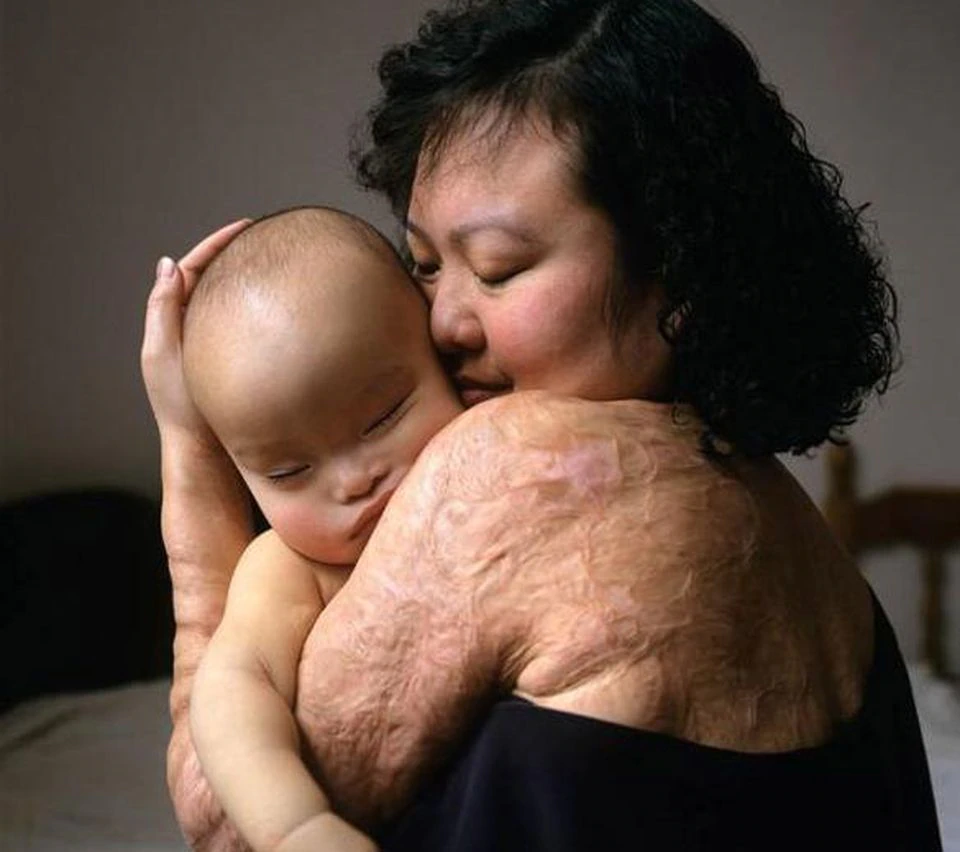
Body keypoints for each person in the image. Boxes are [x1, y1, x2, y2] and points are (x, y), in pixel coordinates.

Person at [141, 0, 942, 849]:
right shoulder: (775, 503)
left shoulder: (514, 465)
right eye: (423, 264)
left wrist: (190, 439)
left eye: (497, 269)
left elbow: (226, 818)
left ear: (676, 267)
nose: (443, 322)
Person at [181, 206, 461, 852]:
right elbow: (233, 687)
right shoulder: (294, 567)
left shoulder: (501, 460)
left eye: (382, 418)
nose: (351, 481)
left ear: (444, 357)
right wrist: (298, 825)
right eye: (288, 470)